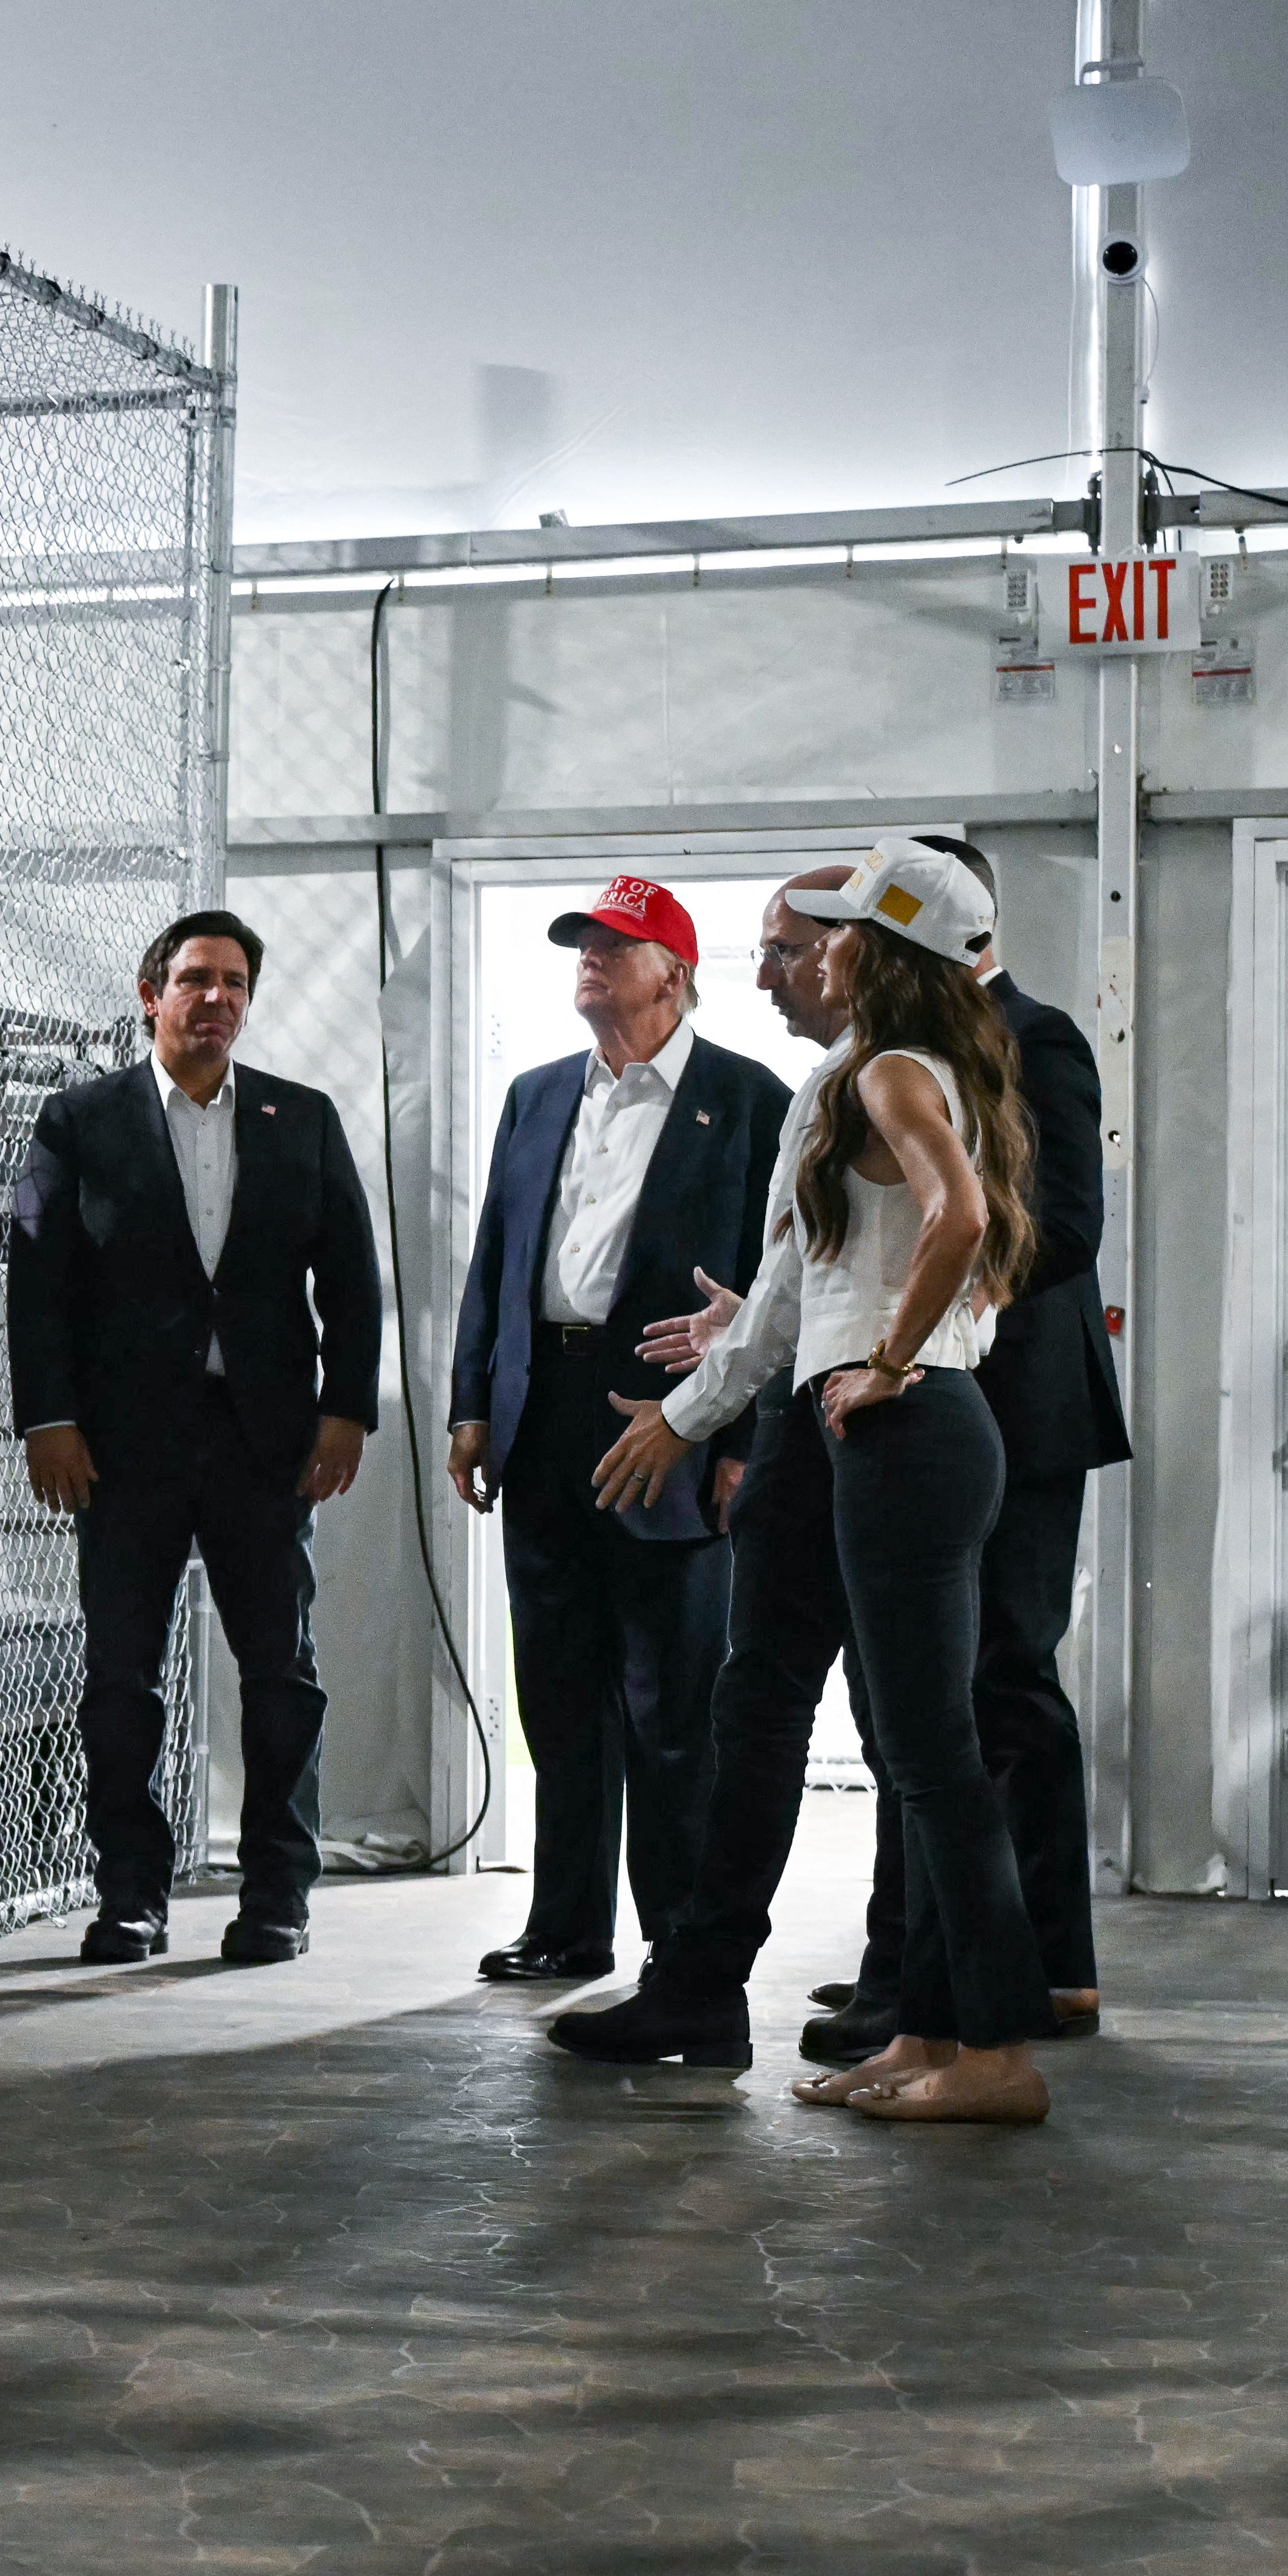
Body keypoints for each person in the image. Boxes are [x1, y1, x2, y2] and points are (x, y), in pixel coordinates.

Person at [574, 839, 1055, 2123]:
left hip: (904, 1433)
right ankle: (933, 2035)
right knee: (917, 1750)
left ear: (881, 954)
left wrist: (887, 1360)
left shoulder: (893, 1070)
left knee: (932, 1756)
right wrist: (839, 1345)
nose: (809, 951)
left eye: (831, 933)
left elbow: (953, 1222)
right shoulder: (916, 1069)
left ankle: (997, 2055)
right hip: (903, 1427)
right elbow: (829, 1277)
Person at [9, 910, 383, 1968]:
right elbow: (34, 1286)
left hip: (265, 1443)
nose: (214, 998)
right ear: (150, 995)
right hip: (120, 1450)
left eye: (232, 983)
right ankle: (129, 1896)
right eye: (193, 981)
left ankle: (277, 1897)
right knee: (120, 1679)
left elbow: (351, 1279)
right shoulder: (72, 1123)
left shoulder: (300, 1119)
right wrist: (49, 1420)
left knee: (282, 1677)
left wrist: (345, 1407)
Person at [804, 833, 1124, 2062]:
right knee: (924, 1705)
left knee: (999, 1687)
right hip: (939, 1395)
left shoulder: (1031, 1036)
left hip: (1016, 1408)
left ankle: (1047, 1969)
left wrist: (931, 1324)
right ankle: (913, 1969)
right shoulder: (885, 1057)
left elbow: (1064, 1227)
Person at [445, 876, 794, 1985]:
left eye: (616, 945)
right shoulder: (536, 1095)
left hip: (672, 1419)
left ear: (675, 975)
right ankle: (565, 1925)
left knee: (671, 1700)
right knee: (558, 1684)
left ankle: (679, 1941)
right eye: (582, 945)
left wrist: (739, 1442)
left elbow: (776, 1286)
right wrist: (470, 1405)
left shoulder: (749, 1100)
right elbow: (497, 1258)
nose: (590, 960)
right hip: (542, 1410)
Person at [546, 868, 860, 2067]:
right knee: (775, 1711)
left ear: (858, 953)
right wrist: (755, 1333)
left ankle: (946, 2009)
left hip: (857, 1432)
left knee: (877, 1731)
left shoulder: (855, 1080)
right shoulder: (850, 1079)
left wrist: (699, 1418)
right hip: (805, 1419)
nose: (766, 971)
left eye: (786, 951)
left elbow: (954, 1243)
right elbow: (798, 1289)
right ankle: (703, 1981)